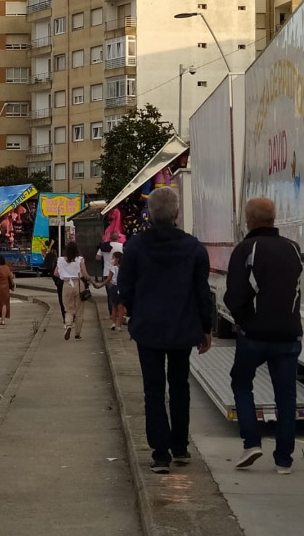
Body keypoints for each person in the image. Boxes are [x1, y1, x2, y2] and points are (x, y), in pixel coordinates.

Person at [118, 187, 213, 474]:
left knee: (153, 389)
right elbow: (202, 291)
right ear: (176, 213)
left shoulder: (135, 246)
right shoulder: (194, 248)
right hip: (183, 328)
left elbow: (125, 287)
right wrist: (205, 328)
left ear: (149, 214)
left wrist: (134, 313)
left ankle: (160, 454)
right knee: (180, 385)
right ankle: (180, 446)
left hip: (147, 328)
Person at [224, 197, 303, 474]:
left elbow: (234, 294)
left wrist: (243, 322)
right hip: (289, 334)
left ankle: (252, 442)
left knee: (241, 381)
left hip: (255, 334)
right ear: (273, 218)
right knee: (286, 394)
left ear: (250, 220)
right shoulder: (294, 248)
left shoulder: (247, 248)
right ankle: (284, 460)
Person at [55, 242, 90, 340]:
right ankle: (77, 334)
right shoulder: (80, 260)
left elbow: (56, 273)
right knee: (79, 310)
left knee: (68, 309)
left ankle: (68, 325)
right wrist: (90, 280)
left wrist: (65, 274)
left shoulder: (61, 260)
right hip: (78, 284)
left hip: (66, 284)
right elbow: (85, 274)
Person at [94, 251, 125, 331]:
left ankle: (114, 323)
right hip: (122, 288)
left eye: (113, 258)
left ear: (117, 259)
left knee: (114, 306)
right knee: (121, 307)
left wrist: (100, 285)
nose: (112, 259)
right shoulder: (125, 268)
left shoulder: (113, 268)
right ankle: (119, 325)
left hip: (114, 287)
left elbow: (108, 279)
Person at [96, 231, 124, 318]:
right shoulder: (121, 246)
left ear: (110, 237)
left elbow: (97, 257)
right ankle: (119, 314)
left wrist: (106, 257)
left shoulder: (104, 246)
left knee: (110, 294)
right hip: (119, 272)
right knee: (119, 293)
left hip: (107, 271)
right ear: (118, 238)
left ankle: (112, 313)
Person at [42, 239, 66, 324]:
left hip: (62, 283)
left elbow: (55, 273)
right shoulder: (79, 260)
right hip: (74, 283)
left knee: (62, 300)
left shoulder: (59, 261)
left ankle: (65, 318)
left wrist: (57, 282)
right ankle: (73, 318)